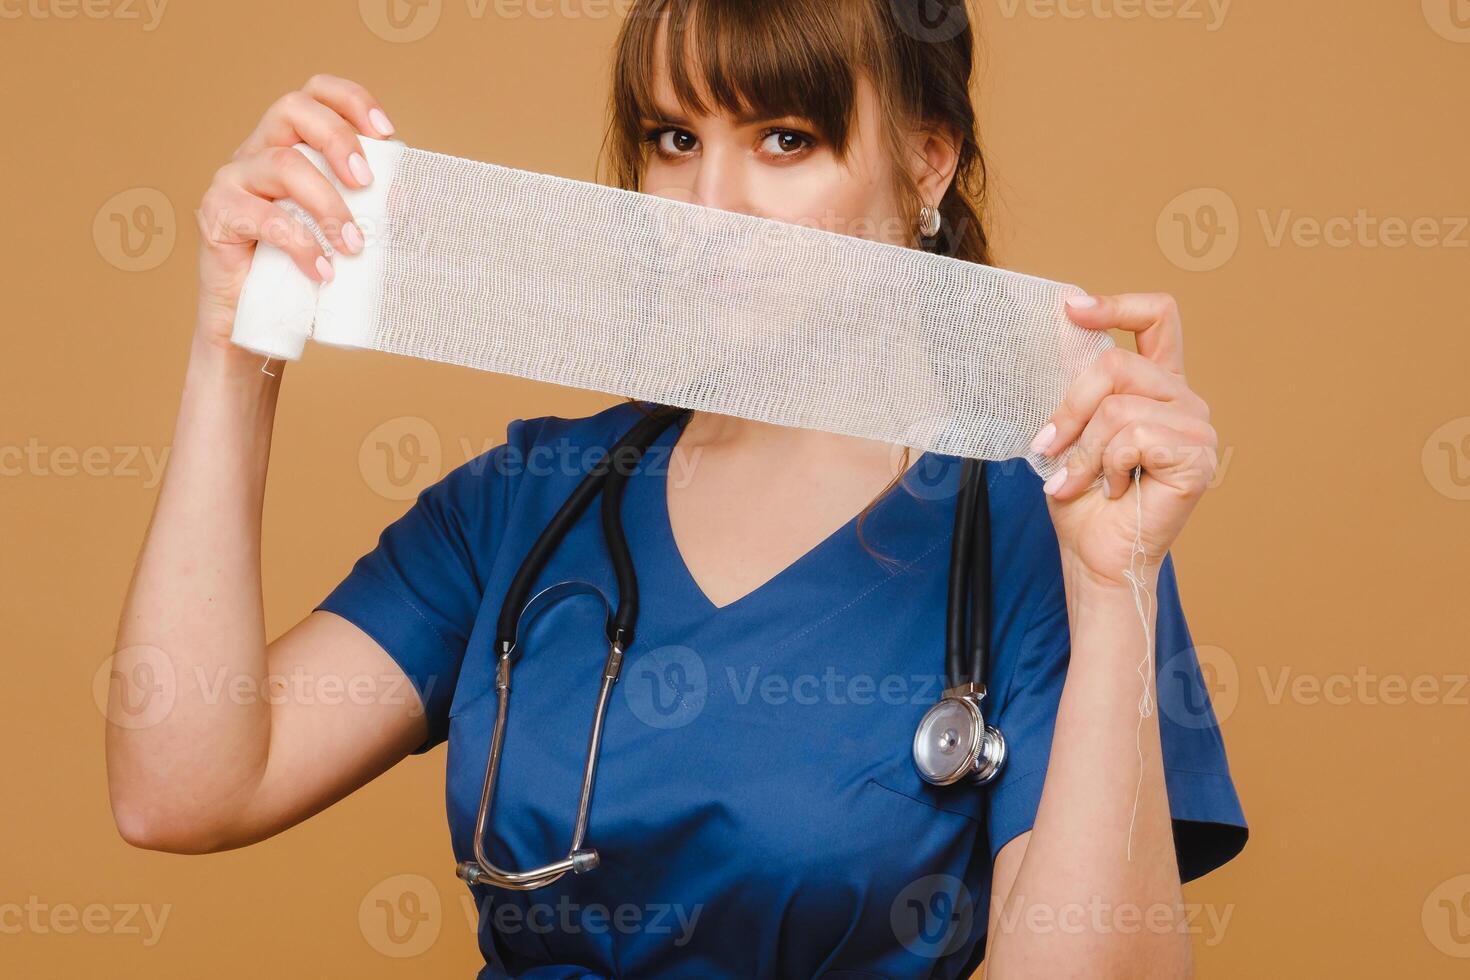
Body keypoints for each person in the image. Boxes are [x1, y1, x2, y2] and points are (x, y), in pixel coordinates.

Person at [106, 1, 1247, 976]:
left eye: (787, 139)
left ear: (926, 161)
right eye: (672, 137)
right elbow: (182, 787)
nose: (712, 204)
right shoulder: (526, 498)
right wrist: (232, 348)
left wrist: (1117, 589)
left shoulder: (1046, 529)